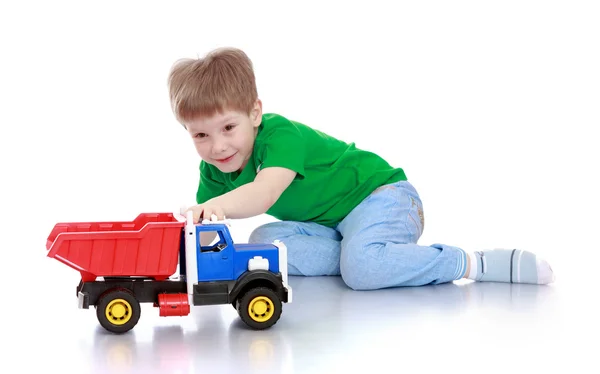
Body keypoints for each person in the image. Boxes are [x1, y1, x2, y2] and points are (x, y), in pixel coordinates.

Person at [167, 47, 554, 290]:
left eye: (228, 128)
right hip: (330, 227)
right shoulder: (215, 170)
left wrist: (213, 208)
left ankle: (472, 262)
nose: (217, 147)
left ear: (254, 113)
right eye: (200, 135)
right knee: (267, 239)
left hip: (382, 198)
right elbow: (208, 226)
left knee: (359, 267)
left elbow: (264, 192)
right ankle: (370, 259)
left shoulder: (280, 135)